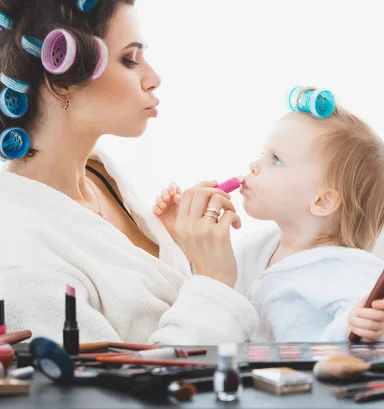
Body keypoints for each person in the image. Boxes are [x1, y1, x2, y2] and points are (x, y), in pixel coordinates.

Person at [0, 0, 256, 345]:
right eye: (129, 60)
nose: (153, 79)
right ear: (61, 78)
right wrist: (214, 281)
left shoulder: (98, 175)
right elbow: (113, 390)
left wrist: (180, 249)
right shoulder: (18, 251)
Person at [155, 88, 384, 346]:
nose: (254, 166)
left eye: (275, 160)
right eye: (263, 153)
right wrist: (182, 243)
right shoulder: (257, 248)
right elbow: (214, 304)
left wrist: (364, 328)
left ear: (322, 201)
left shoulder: (345, 273)